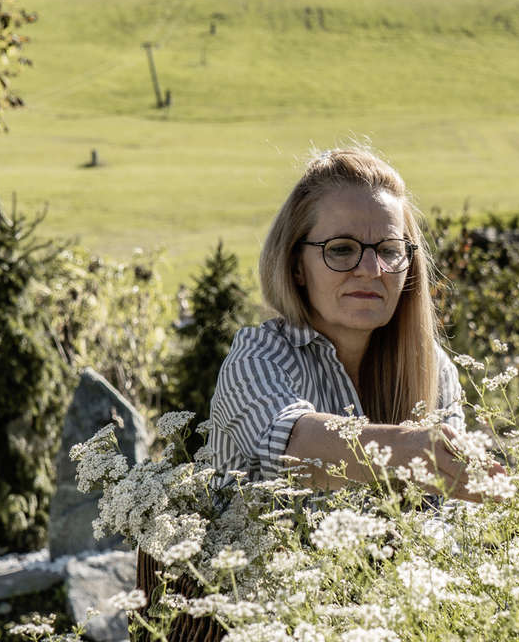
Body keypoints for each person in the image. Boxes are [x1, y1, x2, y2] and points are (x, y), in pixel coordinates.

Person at [205, 146, 497, 500]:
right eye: (341, 249)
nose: (372, 270)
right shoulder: (256, 358)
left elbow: (449, 517)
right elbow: (290, 449)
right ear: (297, 266)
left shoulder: (432, 367)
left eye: (389, 250)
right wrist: (409, 449)